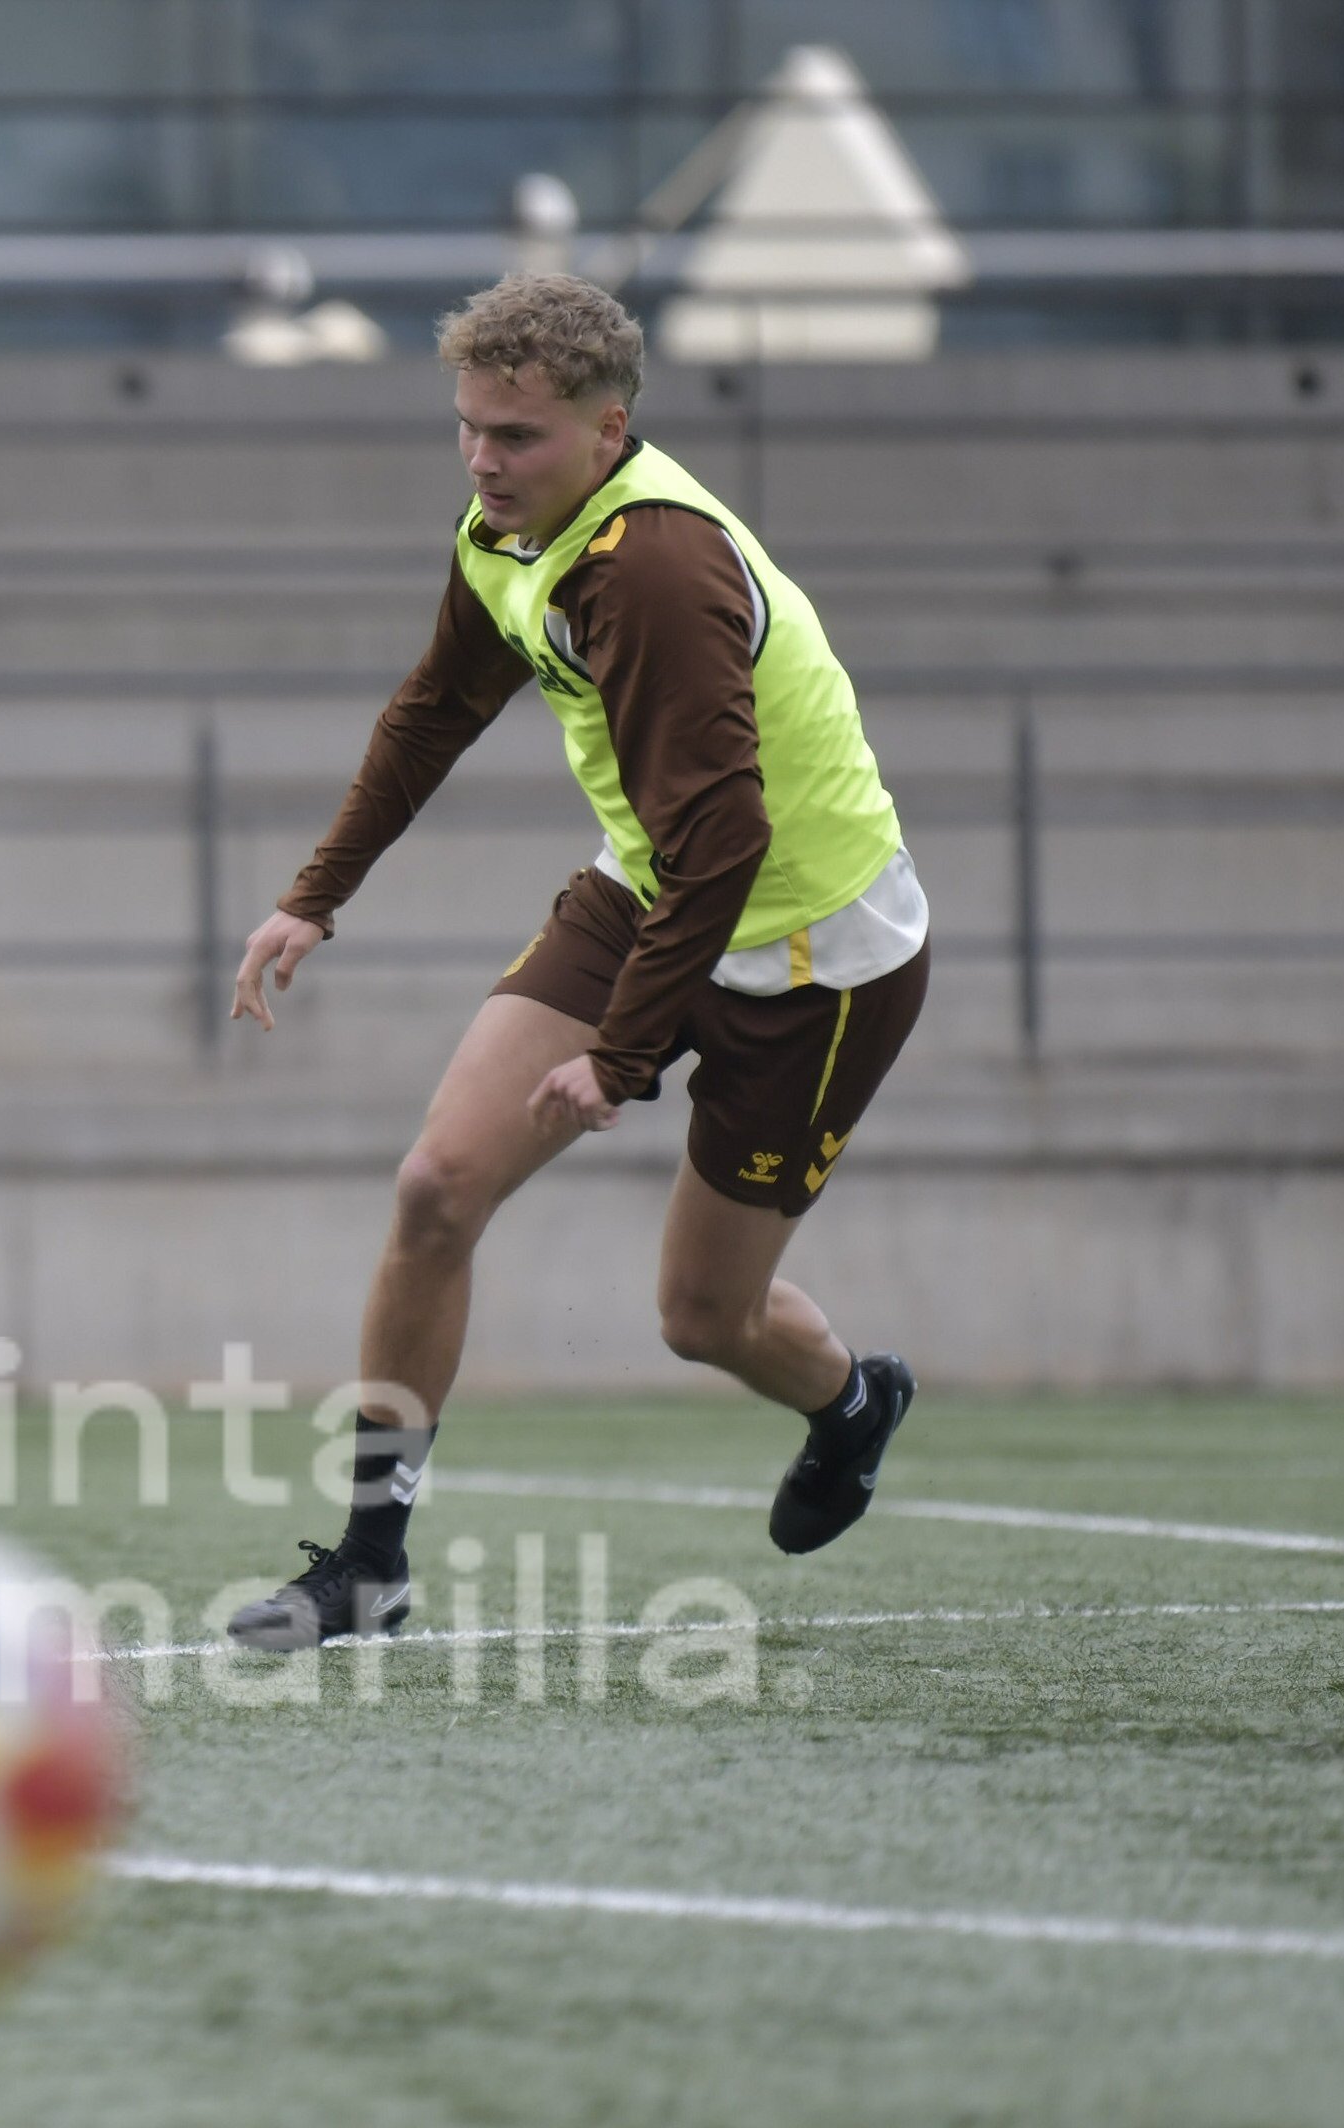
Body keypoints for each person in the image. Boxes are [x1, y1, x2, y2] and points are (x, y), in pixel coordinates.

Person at [224, 275, 930, 1652]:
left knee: (703, 1318)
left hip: (815, 960)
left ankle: (849, 1402)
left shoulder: (655, 569)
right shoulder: (508, 532)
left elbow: (730, 842)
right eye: (472, 428)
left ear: (611, 431)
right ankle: (369, 1564)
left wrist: (620, 1057)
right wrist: (316, 896)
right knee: (436, 1188)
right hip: (651, 894)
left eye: (521, 436)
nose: (487, 461)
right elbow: (435, 709)